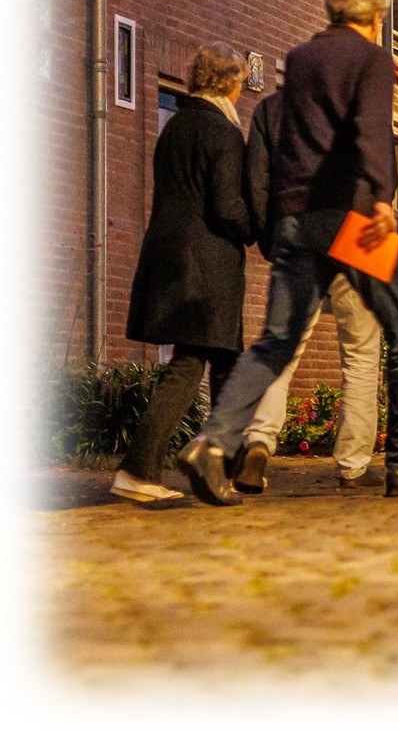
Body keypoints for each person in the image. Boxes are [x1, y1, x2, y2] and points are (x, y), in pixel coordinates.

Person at [176, 0, 398, 504]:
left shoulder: (300, 59)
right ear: (376, 16)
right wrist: (381, 198)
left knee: (276, 341)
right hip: (355, 216)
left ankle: (213, 441)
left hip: (295, 216)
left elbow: (324, 105)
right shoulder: (370, 59)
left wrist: (375, 71)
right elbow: (370, 132)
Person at [113, 44, 253, 504]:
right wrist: (259, 227)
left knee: (228, 364)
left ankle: (224, 467)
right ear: (230, 83)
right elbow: (227, 207)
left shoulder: (174, 128)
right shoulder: (223, 133)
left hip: (172, 255)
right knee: (191, 364)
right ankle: (138, 468)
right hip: (208, 265)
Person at [233, 86, 386, 493]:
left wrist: (272, 240)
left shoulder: (271, 109)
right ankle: (354, 466)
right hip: (355, 235)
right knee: (361, 354)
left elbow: (257, 181)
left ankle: (260, 442)